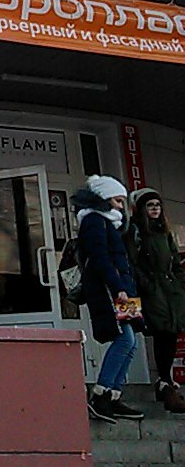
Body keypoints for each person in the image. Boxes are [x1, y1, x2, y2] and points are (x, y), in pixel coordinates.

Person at [73, 174, 144, 423]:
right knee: (125, 339)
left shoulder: (108, 223)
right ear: (103, 198)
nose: (121, 207)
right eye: (117, 201)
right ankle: (101, 393)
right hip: (110, 289)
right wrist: (118, 287)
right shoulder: (94, 220)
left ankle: (113, 395)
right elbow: (100, 257)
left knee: (132, 342)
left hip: (121, 288)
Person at [127, 189, 185, 413]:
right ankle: (164, 382)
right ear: (141, 209)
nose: (155, 209)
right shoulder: (135, 231)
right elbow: (131, 263)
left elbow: (175, 262)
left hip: (170, 290)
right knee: (160, 332)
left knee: (171, 332)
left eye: (157, 205)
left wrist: (179, 285)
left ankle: (165, 382)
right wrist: (148, 285)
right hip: (151, 291)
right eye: (150, 205)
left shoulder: (165, 233)